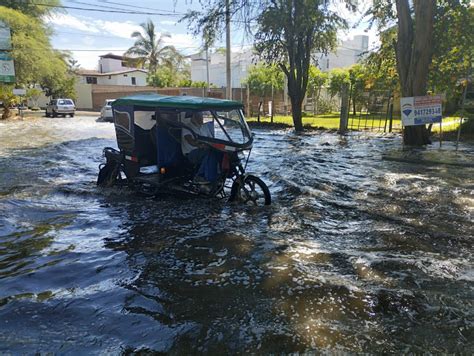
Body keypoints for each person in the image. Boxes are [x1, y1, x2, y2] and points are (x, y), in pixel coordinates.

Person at [181, 111, 219, 183]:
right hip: (191, 153)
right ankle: (200, 176)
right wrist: (200, 145)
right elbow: (190, 141)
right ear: (194, 117)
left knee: (219, 152)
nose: (202, 119)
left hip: (205, 150)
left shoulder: (205, 127)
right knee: (210, 153)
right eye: (200, 117)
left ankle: (219, 175)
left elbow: (211, 139)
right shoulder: (187, 127)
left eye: (202, 117)